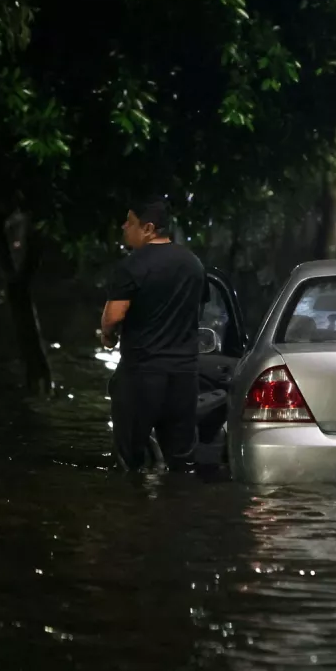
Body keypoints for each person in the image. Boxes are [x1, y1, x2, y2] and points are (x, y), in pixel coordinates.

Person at [99, 196, 205, 470]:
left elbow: (113, 316)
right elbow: (195, 311)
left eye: (130, 222)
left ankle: (133, 510)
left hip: (142, 375)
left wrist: (107, 335)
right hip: (184, 377)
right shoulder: (194, 264)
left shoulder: (132, 265)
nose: (124, 226)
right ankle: (179, 509)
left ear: (148, 228)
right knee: (181, 462)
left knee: (129, 461)